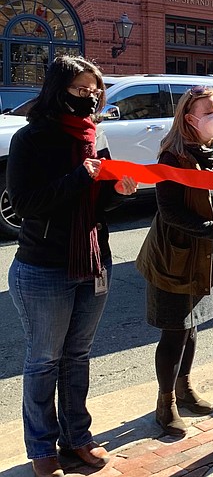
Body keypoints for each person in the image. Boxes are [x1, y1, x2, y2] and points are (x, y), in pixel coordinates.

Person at [7, 56, 138, 477]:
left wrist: (118, 191)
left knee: (77, 356)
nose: (91, 98)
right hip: (45, 266)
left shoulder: (91, 136)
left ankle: (77, 437)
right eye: (81, 90)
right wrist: (82, 176)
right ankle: (41, 447)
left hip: (94, 259)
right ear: (58, 89)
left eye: (95, 91)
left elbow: (98, 205)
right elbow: (24, 205)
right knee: (44, 360)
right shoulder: (32, 139)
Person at [136, 86, 213, 438]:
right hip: (175, 257)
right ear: (190, 119)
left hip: (207, 256)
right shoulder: (172, 157)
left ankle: (184, 387)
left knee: (193, 326)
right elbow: (170, 213)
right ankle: (165, 402)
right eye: (209, 112)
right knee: (175, 331)